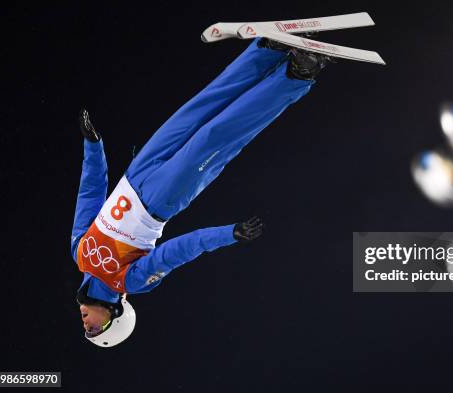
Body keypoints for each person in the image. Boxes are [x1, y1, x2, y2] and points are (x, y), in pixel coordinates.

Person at [71, 38, 330, 347]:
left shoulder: (78, 253)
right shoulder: (130, 281)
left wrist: (93, 145)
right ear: (114, 317)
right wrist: (228, 234)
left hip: (136, 172)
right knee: (218, 134)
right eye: (94, 330)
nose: (86, 324)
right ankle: (296, 75)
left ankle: (264, 53)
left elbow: (90, 194)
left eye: (88, 330)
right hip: (161, 199)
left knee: (196, 110)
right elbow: (180, 250)